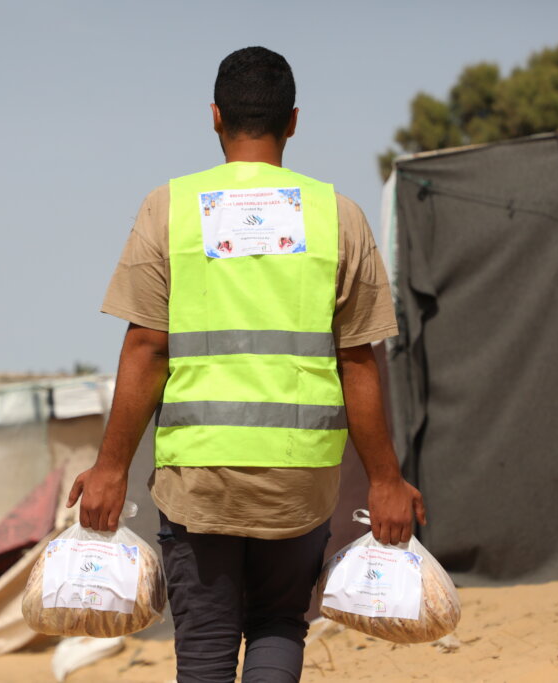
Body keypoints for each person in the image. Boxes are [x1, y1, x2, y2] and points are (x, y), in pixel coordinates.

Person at [67, 46, 426, 683]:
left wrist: (111, 467)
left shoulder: (167, 209)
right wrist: (386, 480)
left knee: (204, 645)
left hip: (198, 474)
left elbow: (146, 347)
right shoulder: (338, 217)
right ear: (293, 121)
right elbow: (358, 362)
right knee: (278, 626)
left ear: (214, 117)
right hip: (301, 477)